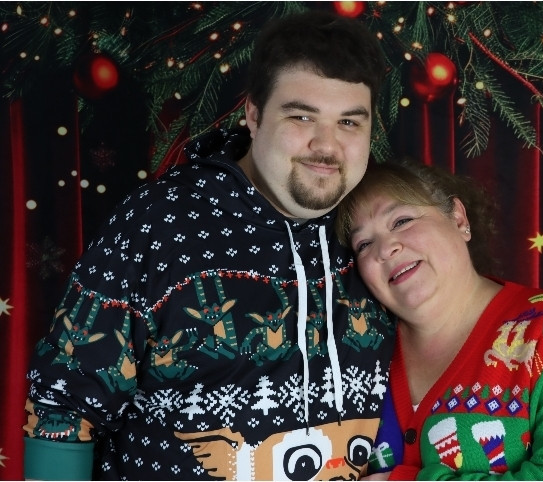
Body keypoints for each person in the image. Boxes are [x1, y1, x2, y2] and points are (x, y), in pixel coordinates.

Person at [23, 11, 396, 480]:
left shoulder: (376, 232)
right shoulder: (158, 222)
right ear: (254, 115)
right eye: (302, 116)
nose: (327, 145)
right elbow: (63, 407)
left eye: (349, 122)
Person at [335, 159, 543, 480]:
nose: (385, 249)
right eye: (364, 244)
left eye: (402, 221)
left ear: (458, 219)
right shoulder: (356, 349)